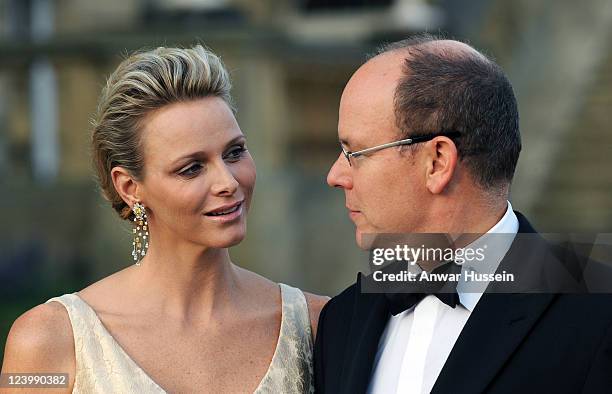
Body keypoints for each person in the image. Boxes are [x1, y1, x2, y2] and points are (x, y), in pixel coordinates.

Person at [1, 45, 327, 393]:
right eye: (192, 168)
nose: (229, 182)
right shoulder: (46, 342)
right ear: (129, 188)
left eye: (235, 152)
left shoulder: (312, 325)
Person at [314, 34, 612, 393]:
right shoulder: (342, 320)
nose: (335, 176)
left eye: (356, 153)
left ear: (437, 162)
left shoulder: (597, 314)